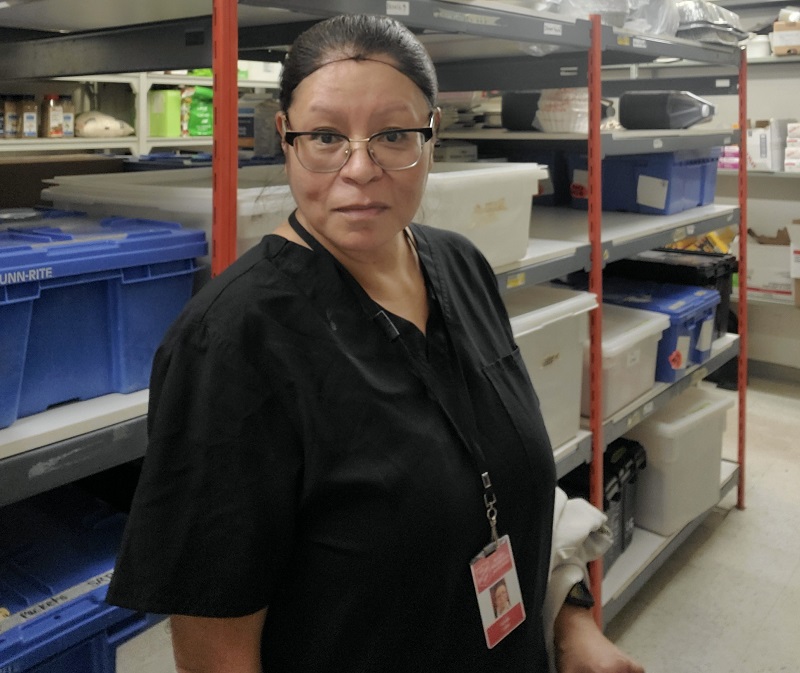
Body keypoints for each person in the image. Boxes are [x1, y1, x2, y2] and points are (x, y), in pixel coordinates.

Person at [107, 13, 644, 673]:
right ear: (285, 138)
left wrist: (570, 623)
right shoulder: (232, 341)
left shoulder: (461, 266)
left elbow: (502, 476)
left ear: (431, 137)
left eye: (393, 134)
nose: (359, 168)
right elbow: (217, 646)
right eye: (326, 135)